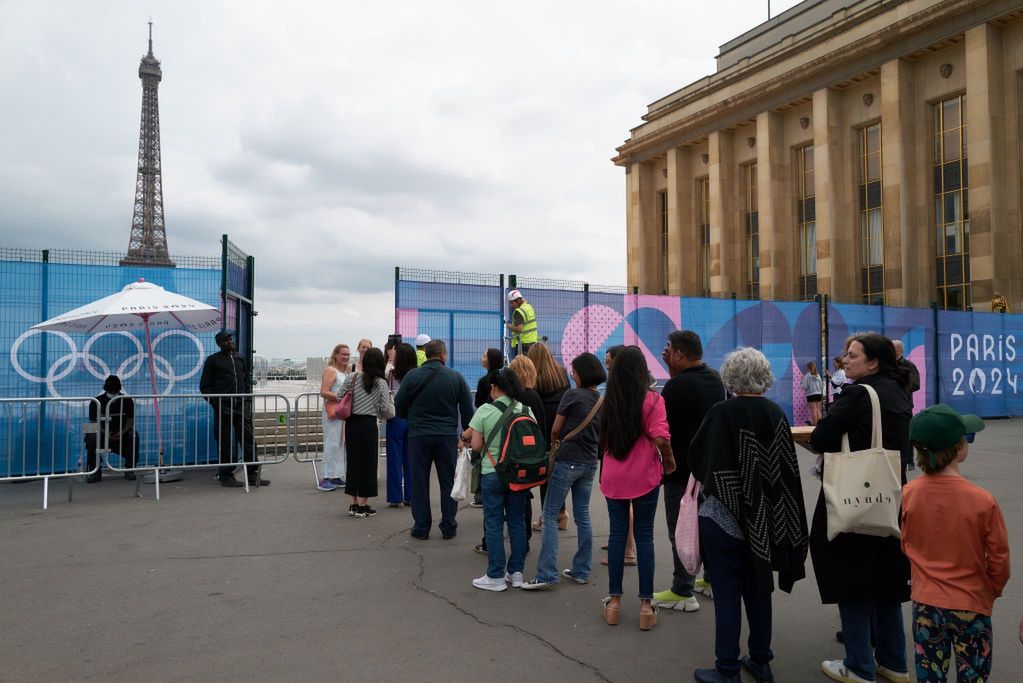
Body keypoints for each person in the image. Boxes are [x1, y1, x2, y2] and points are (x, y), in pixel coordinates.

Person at [688, 348, 809, 683]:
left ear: (730, 377)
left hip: (722, 516)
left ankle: (727, 669)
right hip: (765, 517)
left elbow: (699, 461)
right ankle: (761, 660)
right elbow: (785, 472)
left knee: (727, 592)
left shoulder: (721, 413)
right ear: (765, 376)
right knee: (758, 588)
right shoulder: (775, 413)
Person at [809, 333, 913, 683]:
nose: (845, 360)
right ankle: (894, 663)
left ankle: (858, 666)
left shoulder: (857, 394)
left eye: (852, 355)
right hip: (891, 496)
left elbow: (822, 436)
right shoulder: (899, 390)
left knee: (851, 579)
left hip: (856, 497)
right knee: (887, 581)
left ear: (873, 363)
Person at [903, 404, 1009, 682]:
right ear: (958, 447)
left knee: (929, 673)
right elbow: (999, 559)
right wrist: (992, 590)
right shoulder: (982, 501)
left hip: (925, 603)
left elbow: (906, 543)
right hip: (971, 603)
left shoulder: (908, 494)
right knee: (973, 674)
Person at [598, 346, 675, 631]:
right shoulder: (653, 400)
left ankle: (614, 602)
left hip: (614, 475)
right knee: (644, 536)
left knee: (617, 534)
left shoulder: (609, 401)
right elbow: (660, 436)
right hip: (645, 476)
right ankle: (645, 605)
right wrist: (668, 460)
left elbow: (603, 440)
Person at [652, 330, 725, 612]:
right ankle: (710, 580)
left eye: (669, 349)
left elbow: (665, 426)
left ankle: (682, 590)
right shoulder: (714, 379)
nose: (666, 353)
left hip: (681, 471)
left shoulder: (675, 387)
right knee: (707, 527)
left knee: (680, 530)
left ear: (680, 354)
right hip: (709, 468)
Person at [522, 352, 606, 590]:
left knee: (549, 515)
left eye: (575, 371)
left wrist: (554, 447)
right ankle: (581, 570)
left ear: (582, 373)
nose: (572, 374)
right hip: (589, 463)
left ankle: (547, 573)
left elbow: (556, 429)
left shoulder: (572, 395)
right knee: (583, 516)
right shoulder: (600, 399)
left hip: (567, 460)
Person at [395, 339, 474, 540]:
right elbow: (467, 411)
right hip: (446, 437)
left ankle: (421, 527)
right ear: (442, 354)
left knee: (419, 481)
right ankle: (449, 526)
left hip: (419, 436)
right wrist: (464, 435)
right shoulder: (455, 377)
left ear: (427, 354)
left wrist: (411, 418)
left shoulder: (412, 376)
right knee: (448, 482)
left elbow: (399, 405)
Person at [462, 367, 533, 591]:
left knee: (493, 523)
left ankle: (495, 576)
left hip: (492, 473)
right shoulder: (526, 410)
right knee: (517, 522)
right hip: (518, 475)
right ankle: (517, 572)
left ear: (494, 388)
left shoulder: (484, 410)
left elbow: (476, 445)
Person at [199, 331, 268, 488]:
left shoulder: (240, 357)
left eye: (231, 339)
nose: (230, 341)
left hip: (241, 405)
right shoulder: (212, 360)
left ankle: (252, 474)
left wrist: (247, 400)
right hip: (223, 407)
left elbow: (245, 381)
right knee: (225, 441)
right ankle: (226, 475)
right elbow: (205, 387)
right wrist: (217, 403)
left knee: (248, 439)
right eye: (226, 340)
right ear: (219, 343)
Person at [338, 347, 395, 518]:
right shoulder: (381, 382)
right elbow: (385, 408)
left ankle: (353, 504)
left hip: (352, 424)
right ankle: (364, 505)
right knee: (368, 464)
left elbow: (340, 396)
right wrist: (376, 409)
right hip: (369, 424)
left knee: (353, 462)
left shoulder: (352, 377)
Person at [527, 342, 570, 531]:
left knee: (546, 474)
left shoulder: (534, 376)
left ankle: (547, 517)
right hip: (562, 424)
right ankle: (562, 512)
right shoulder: (560, 372)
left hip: (543, 425)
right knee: (558, 471)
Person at [601, 345, 635, 566]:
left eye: (609, 360)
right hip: (618, 451)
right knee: (621, 502)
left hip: (620, 453)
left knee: (623, 501)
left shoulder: (620, 386)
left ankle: (628, 550)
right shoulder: (623, 383)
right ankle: (621, 542)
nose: (606, 364)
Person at [84, 375, 138, 483]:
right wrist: (105, 432)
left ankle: (130, 468)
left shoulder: (127, 400)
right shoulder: (95, 401)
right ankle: (93, 470)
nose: (113, 393)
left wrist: (121, 433)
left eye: (115, 391)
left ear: (119, 389)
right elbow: (93, 422)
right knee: (89, 430)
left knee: (133, 434)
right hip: (102, 431)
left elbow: (130, 421)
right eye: (111, 391)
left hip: (120, 431)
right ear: (105, 389)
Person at [469, 348, 505, 510]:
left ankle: (480, 495)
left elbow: (478, 403)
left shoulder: (485, 381)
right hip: (501, 423)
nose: (481, 358)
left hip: (485, 424)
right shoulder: (505, 378)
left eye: (484, 355)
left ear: (491, 360)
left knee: (480, 458)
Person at [385, 343, 417, 507]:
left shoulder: (391, 373)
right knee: (411, 458)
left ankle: (395, 497)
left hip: (395, 416)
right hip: (413, 417)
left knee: (394, 458)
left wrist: (390, 360)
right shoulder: (417, 375)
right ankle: (411, 496)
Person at [317, 344, 349, 491]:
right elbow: (324, 391)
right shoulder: (331, 370)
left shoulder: (345, 371)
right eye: (343, 354)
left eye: (348, 354)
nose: (346, 357)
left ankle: (335, 475)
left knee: (339, 444)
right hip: (333, 412)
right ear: (335, 355)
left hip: (341, 413)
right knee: (332, 443)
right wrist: (341, 397)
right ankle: (326, 477)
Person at [506, 289, 539, 358]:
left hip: (523, 345)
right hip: (533, 343)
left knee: (520, 367)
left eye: (512, 303)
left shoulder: (519, 311)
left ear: (518, 300)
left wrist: (508, 326)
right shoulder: (529, 307)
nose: (511, 305)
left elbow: (519, 329)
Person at [801, 361, 825, 425]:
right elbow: (821, 385)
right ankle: (820, 426)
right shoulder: (818, 375)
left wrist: (801, 381)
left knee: (813, 411)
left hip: (811, 395)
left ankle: (815, 426)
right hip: (818, 394)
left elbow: (805, 387)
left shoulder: (806, 376)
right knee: (818, 411)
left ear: (808, 368)